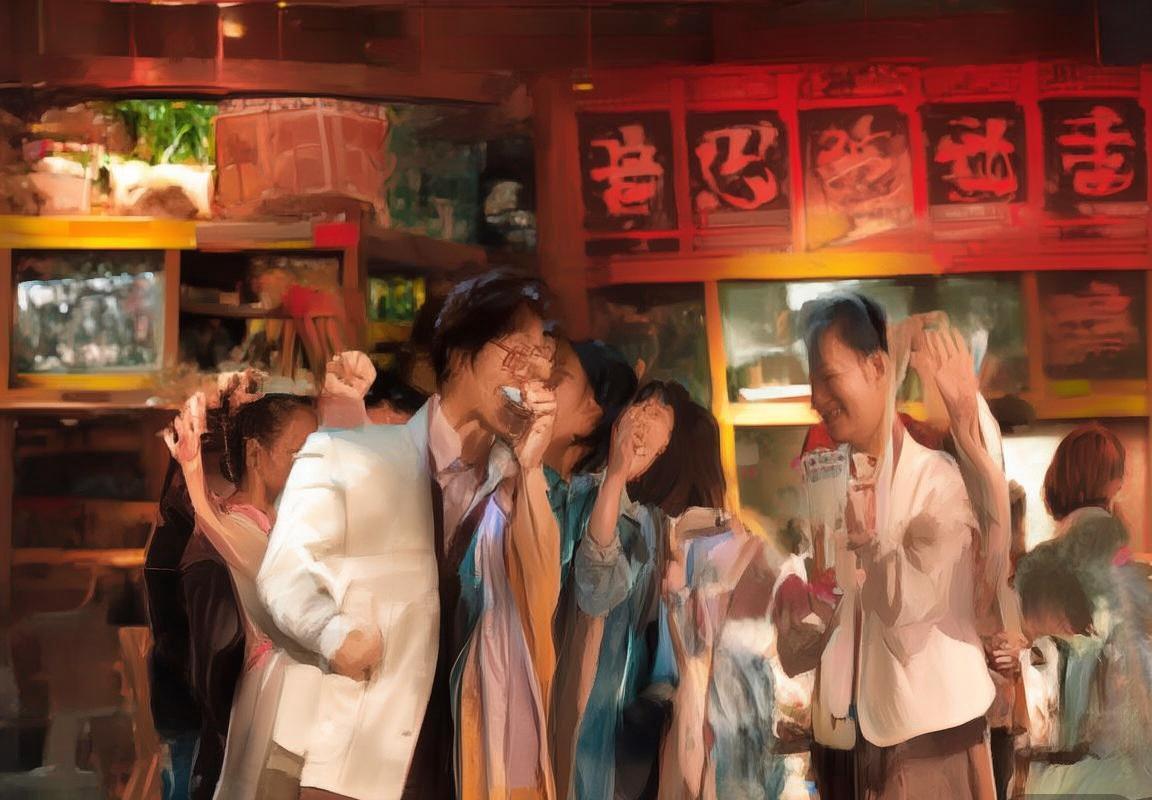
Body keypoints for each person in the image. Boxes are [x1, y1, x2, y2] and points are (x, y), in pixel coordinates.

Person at [257, 269, 556, 800]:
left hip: (474, 763)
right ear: (459, 354)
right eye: (517, 353)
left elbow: (543, 598)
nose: (531, 374)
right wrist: (334, 634)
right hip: (362, 766)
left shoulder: (518, 483)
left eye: (541, 356)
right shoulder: (353, 455)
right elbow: (284, 570)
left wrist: (530, 468)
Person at [798, 292, 996, 800]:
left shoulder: (938, 481)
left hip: (932, 743)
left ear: (877, 368)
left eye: (828, 376)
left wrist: (866, 545)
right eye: (812, 381)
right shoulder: (832, 485)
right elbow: (810, 633)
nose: (817, 397)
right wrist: (807, 598)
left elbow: (908, 607)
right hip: (851, 746)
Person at [166, 390, 318, 800]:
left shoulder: (284, 519)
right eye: (298, 453)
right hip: (273, 685)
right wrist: (193, 472)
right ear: (255, 454)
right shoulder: (235, 527)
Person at [1013, 424, 1152, 799]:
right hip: (1128, 774)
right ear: (1115, 484)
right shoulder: (1133, 573)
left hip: (1056, 776)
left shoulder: (1032, 571)